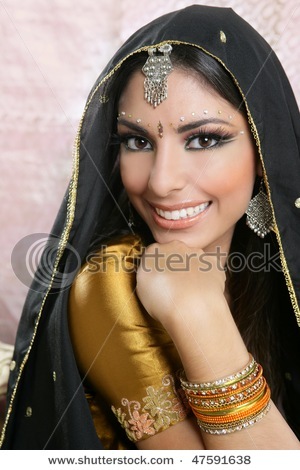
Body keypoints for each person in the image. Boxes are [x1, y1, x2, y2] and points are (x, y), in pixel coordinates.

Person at [1, 4, 300, 450]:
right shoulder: (106, 287)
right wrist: (195, 313)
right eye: (137, 141)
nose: (160, 181)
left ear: (263, 150)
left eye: (203, 139)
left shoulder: (278, 269)